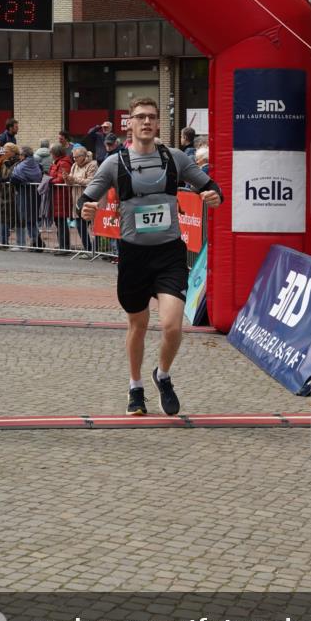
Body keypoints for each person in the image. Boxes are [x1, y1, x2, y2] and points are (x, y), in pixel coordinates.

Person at [78, 97, 223, 416]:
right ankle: (135, 387)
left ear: (158, 123)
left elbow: (210, 187)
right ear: (128, 123)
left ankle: (163, 374)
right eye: (139, 117)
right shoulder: (114, 163)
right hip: (133, 257)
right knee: (138, 325)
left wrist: (214, 195)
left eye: (151, 117)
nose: (146, 122)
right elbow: (87, 199)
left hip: (169, 254)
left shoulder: (175, 159)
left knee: (172, 325)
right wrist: (86, 209)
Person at [0, 142, 20, 247]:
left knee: (5, 218)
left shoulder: (17, 163)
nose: (4, 152)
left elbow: (10, 177)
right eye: (4, 151)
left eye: (6, 151)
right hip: (3, 193)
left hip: (12, 193)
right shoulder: (6, 161)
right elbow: (2, 175)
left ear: (13, 152)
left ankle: (4, 241)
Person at [11, 145, 43, 250]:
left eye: (20, 154)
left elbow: (15, 178)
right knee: (31, 219)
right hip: (34, 193)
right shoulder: (35, 163)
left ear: (24, 155)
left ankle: (36, 241)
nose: (19, 156)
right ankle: (36, 241)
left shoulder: (22, 165)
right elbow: (39, 175)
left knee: (28, 218)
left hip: (25, 193)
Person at [67, 145, 98, 256]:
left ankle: (97, 249)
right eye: (73, 157)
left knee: (94, 225)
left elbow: (90, 181)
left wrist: (74, 179)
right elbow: (70, 182)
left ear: (83, 156)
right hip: (77, 198)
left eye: (76, 157)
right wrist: (67, 179)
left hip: (90, 198)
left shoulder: (92, 165)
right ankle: (88, 249)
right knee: (80, 225)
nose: (74, 159)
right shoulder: (74, 165)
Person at [48, 142, 73, 253]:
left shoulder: (63, 163)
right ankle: (62, 245)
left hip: (62, 195)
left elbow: (61, 179)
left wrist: (48, 181)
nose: (50, 154)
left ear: (55, 153)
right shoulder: (56, 162)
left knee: (62, 222)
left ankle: (65, 247)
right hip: (56, 196)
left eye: (51, 152)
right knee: (58, 222)